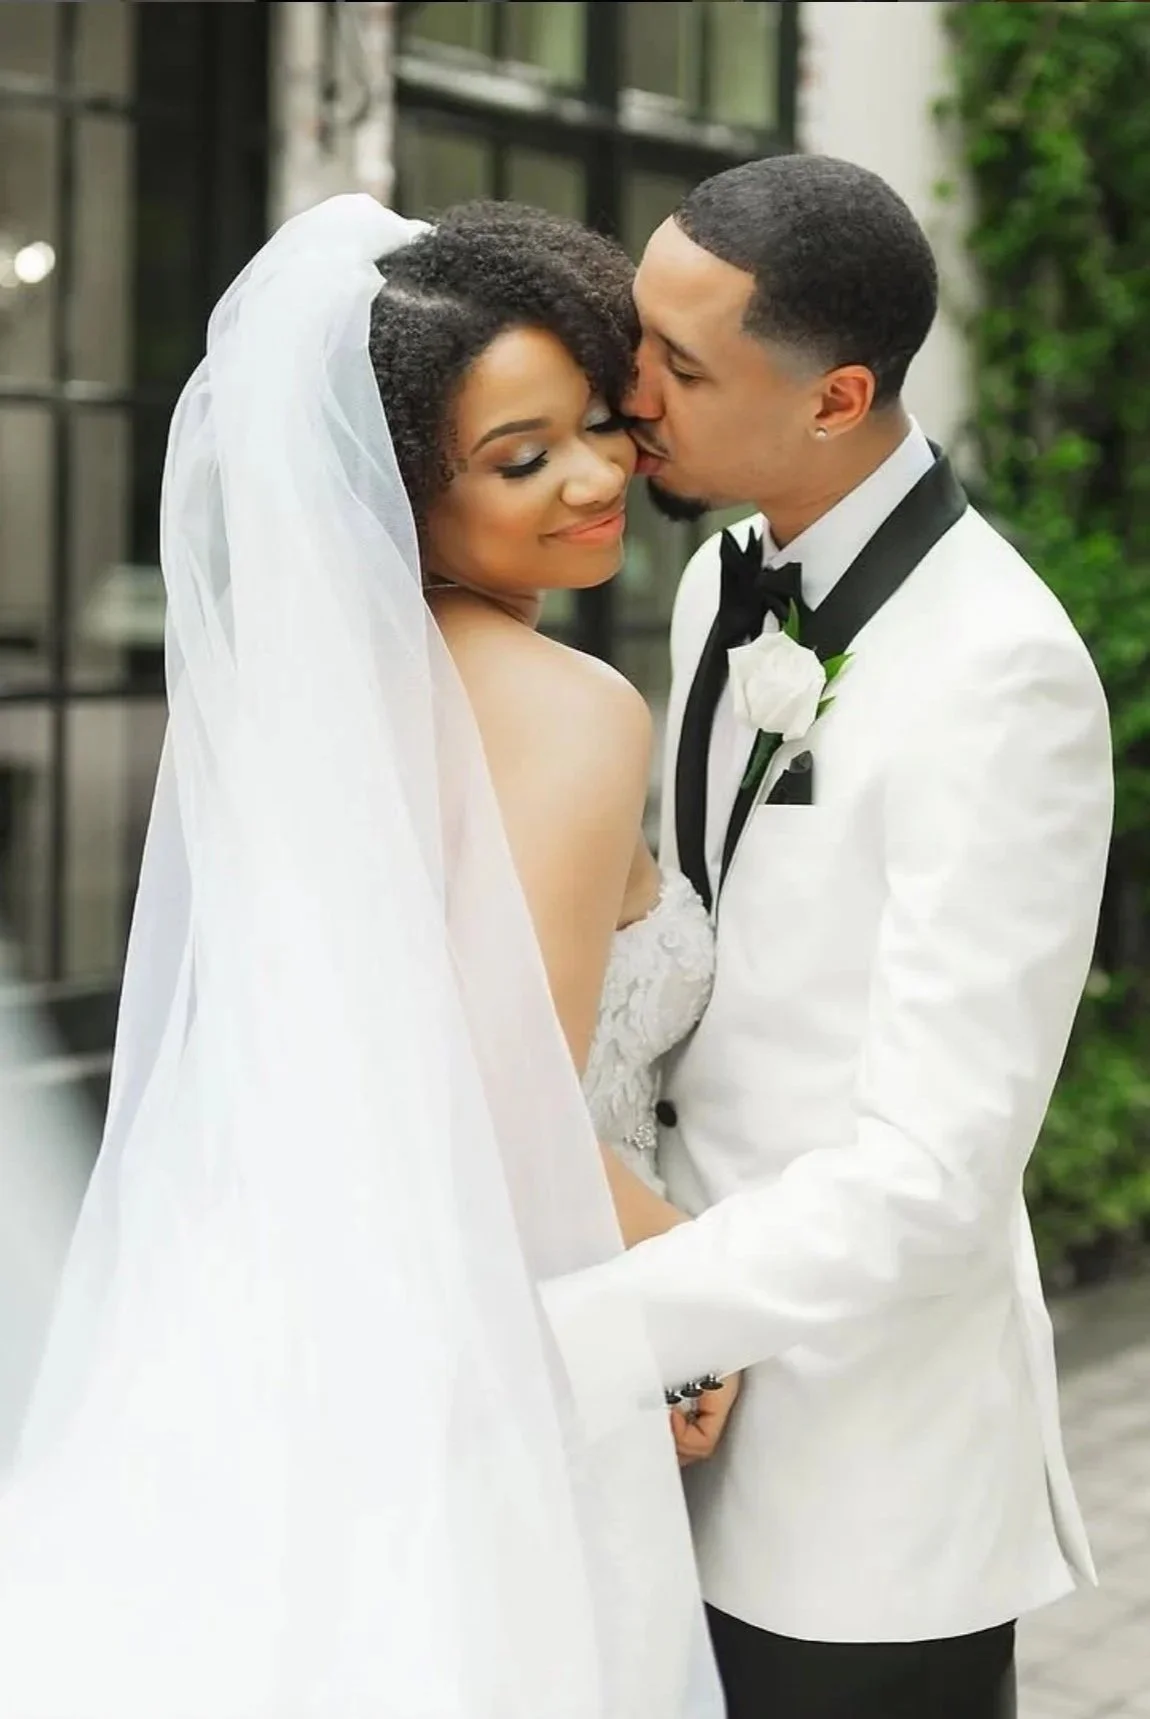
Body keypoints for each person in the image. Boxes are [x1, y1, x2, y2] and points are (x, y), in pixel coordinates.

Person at [0, 196, 722, 1719]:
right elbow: (498, 1096)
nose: (592, 476)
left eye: (599, 421)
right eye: (518, 458)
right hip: (481, 1341)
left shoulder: (296, 703)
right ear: (397, 484)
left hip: (259, 1309)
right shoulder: (570, 707)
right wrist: (707, 1277)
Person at [542, 155, 1113, 1719]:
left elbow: (932, 1182)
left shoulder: (1000, 677)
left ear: (832, 396)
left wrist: (582, 1330)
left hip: (859, 1488)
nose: (624, 389)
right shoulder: (723, 575)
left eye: (677, 362)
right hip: (666, 1436)